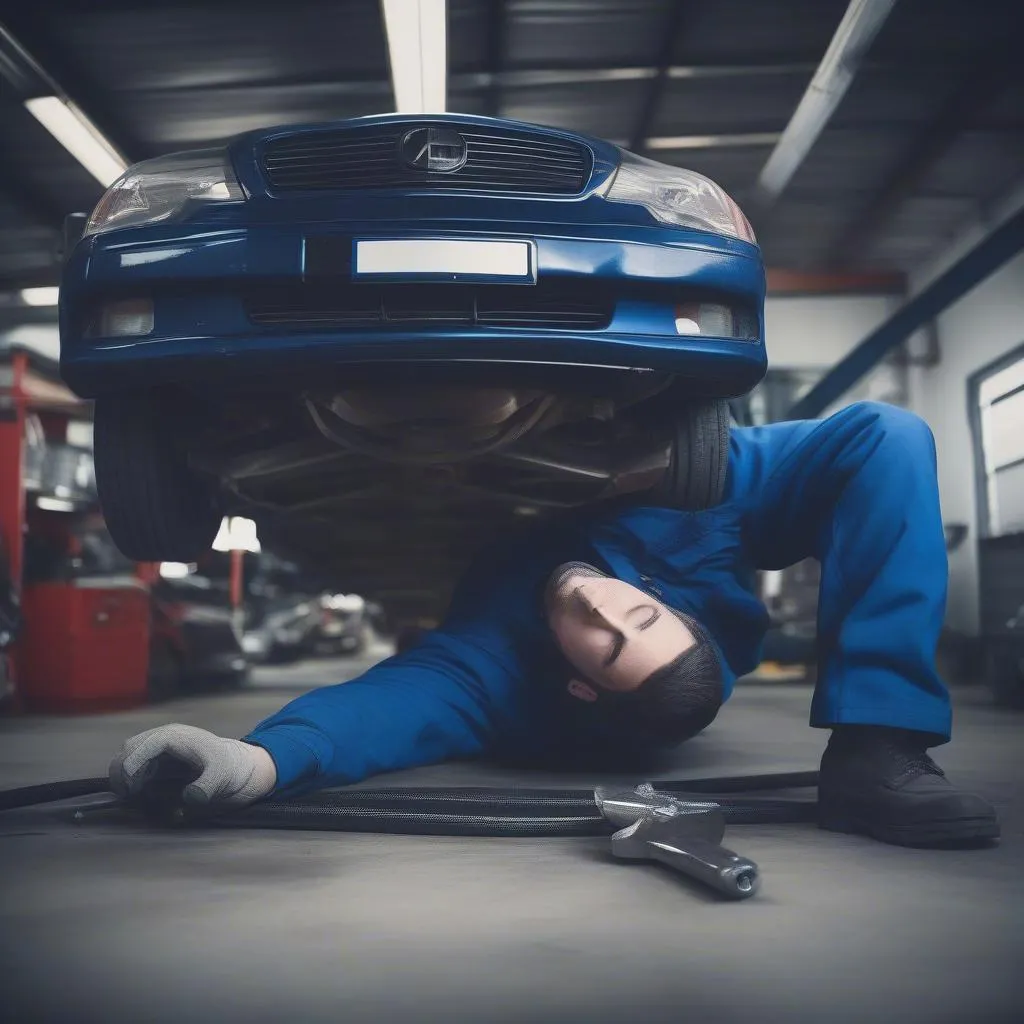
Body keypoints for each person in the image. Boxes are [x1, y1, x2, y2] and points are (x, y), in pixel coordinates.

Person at [110, 401, 1000, 848]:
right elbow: (866, 445)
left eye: (610, 645)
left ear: (577, 681)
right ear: (675, 604)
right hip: (626, 453)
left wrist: (251, 763)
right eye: (643, 614)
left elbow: (379, 712)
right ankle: (885, 740)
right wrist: (671, 453)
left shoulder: (491, 667)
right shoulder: (699, 535)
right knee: (890, 430)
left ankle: (872, 760)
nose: (604, 607)